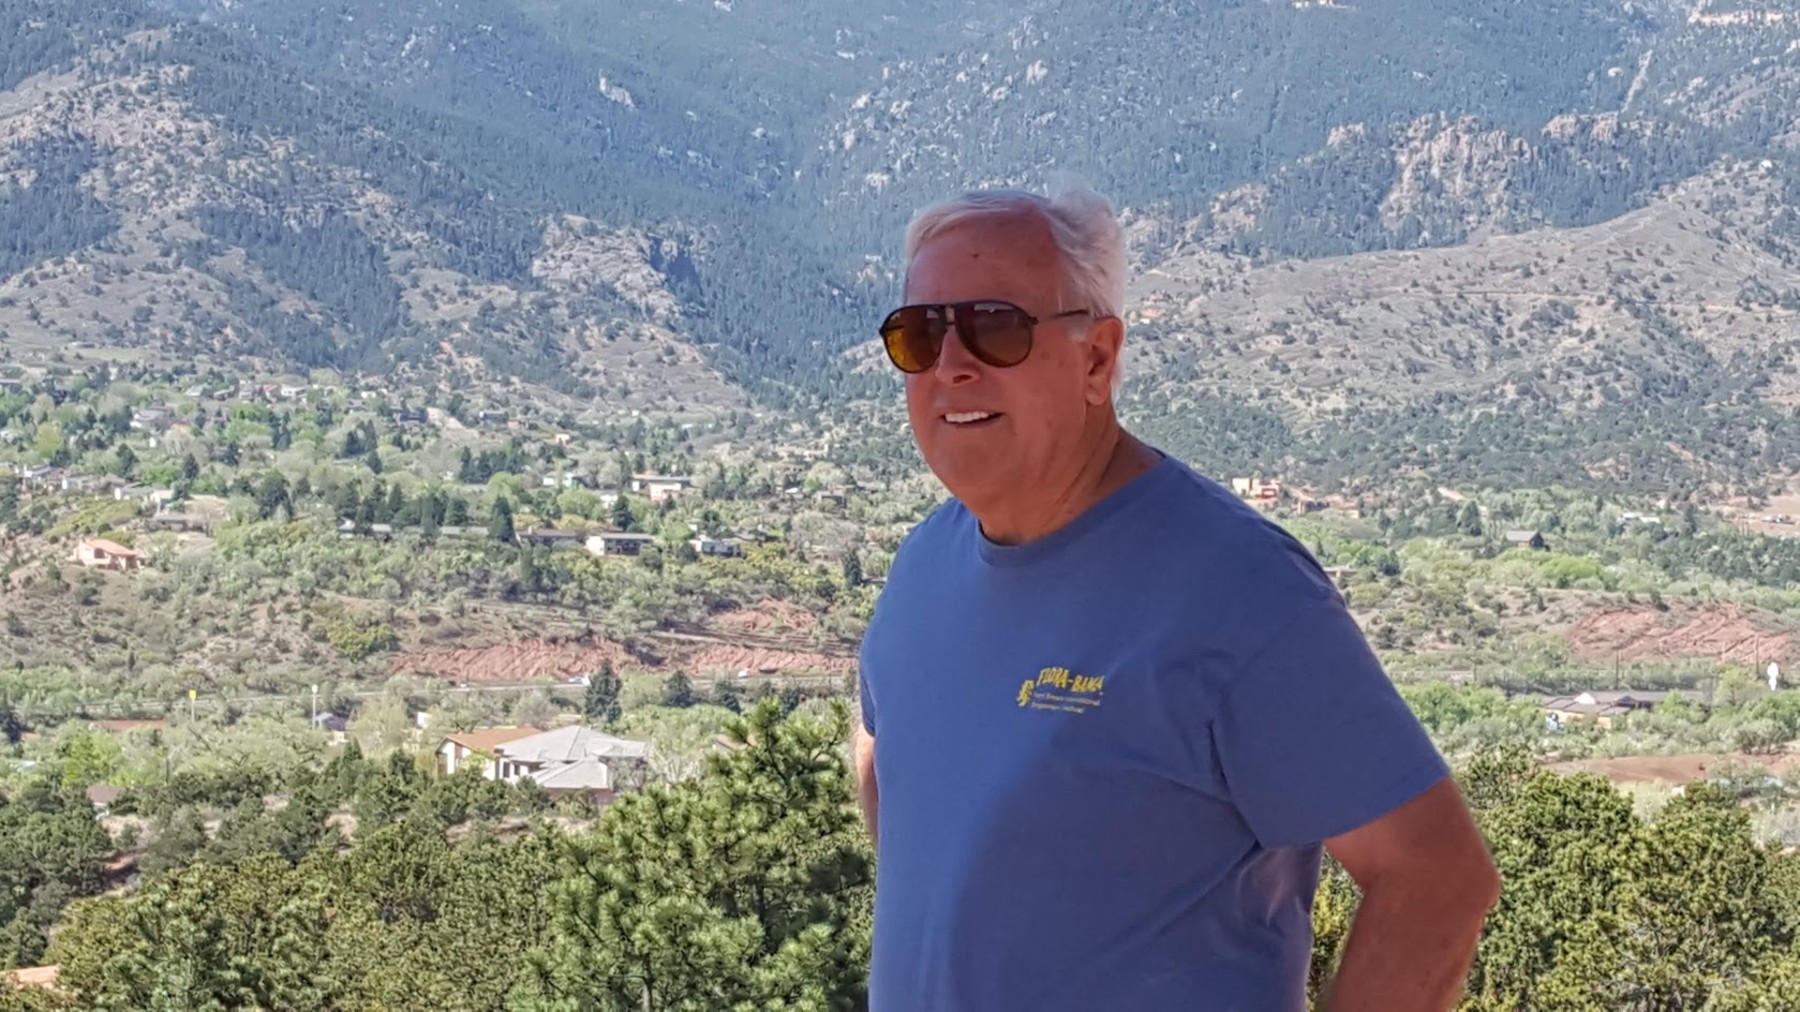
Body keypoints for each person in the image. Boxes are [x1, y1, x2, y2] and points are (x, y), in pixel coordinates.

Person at [853, 184, 1500, 1011]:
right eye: (920, 334)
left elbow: (1438, 878)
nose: (951, 365)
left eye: (995, 326)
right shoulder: (923, 565)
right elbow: (887, 761)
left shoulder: (1238, 591)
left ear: (1097, 359)